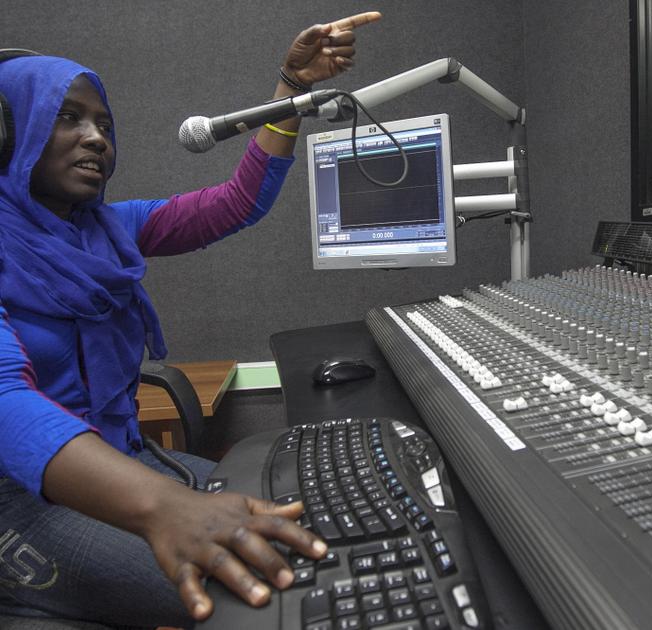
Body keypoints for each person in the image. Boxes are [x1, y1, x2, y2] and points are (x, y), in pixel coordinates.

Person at [0, 11, 381, 629]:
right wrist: (163, 506)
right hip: (21, 498)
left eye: (104, 124)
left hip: (124, 459)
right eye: (67, 117)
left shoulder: (112, 228)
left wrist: (291, 91)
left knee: (324, 522)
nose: (96, 138)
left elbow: (237, 203)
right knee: (287, 594)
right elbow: (5, 400)